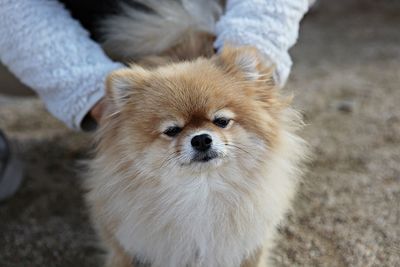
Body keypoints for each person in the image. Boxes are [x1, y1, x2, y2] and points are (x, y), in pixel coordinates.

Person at [0, 0, 311, 200]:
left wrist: (244, 63)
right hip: (58, 28)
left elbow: (254, 51)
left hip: (200, 16)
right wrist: (91, 90)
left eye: (220, 121)